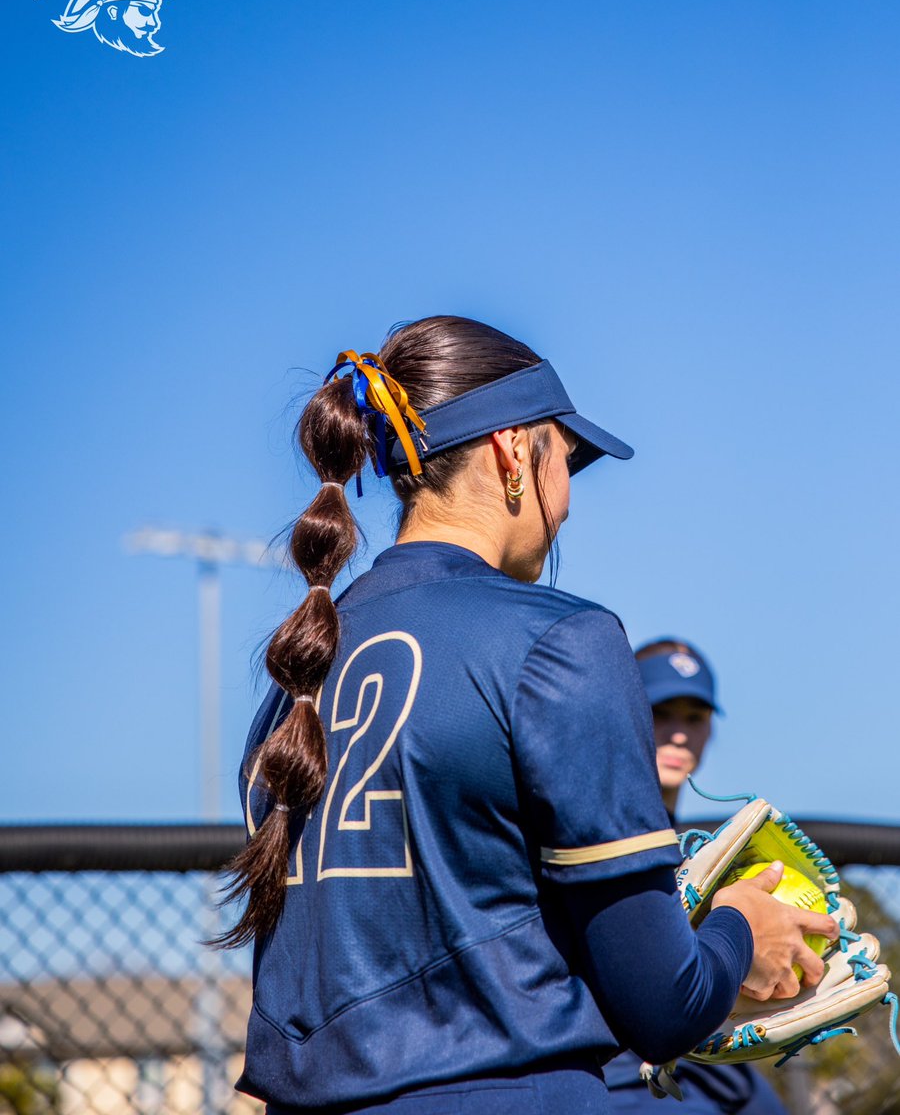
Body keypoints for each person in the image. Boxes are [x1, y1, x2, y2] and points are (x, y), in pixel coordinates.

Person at [221, 316, 836, 1115]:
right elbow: (664, 1007)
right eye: (567, 457)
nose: (569, 497)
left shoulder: (298, 667)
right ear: (515, 452)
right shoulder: (561, 640)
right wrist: (740, 932)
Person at [605, 639, 788, 1114]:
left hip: (695, 1060)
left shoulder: (703, 851)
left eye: (694, 718)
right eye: (661, 712)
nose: (679, 734)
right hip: (614, 1067)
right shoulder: (597, 830)